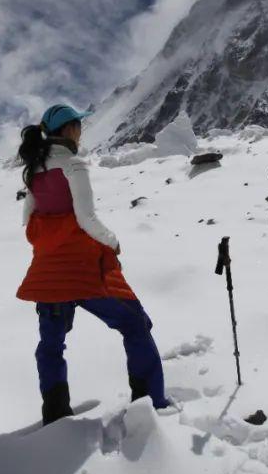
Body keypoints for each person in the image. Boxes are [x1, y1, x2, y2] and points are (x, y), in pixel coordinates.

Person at [16, 103, 170, 425]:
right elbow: (86, 218)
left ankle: (56, 415)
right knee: (134, 324)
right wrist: (112, 241)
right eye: (78, 125)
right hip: (85, 269)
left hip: (49, 272)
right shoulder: (73, 165)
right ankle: (151, 403)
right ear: (69, 129)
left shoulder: (34, 169)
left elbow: (27, 218)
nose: (81, 131)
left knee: (51, 344)